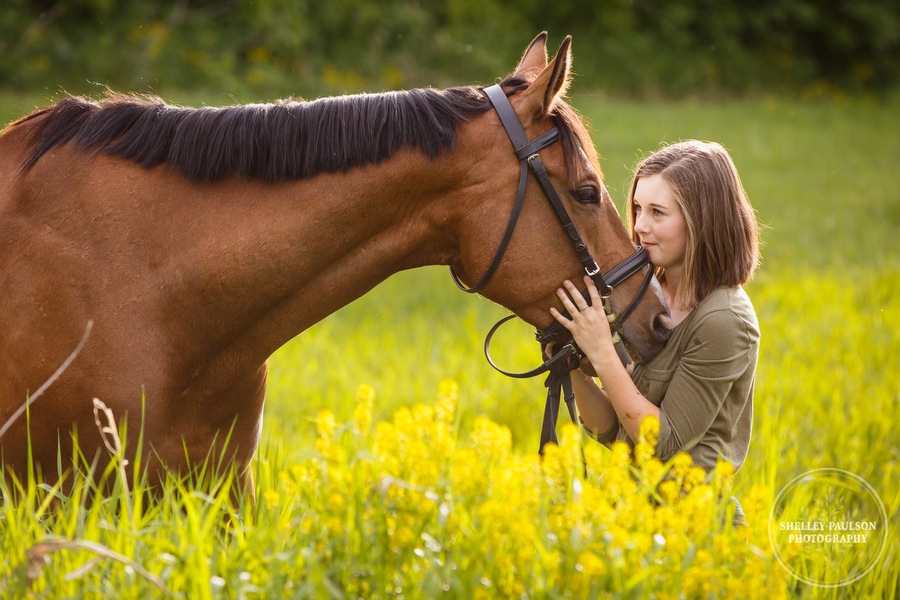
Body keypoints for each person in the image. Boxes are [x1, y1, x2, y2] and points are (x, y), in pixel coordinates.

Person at [550, 140, 760, 520]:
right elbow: (612, 429)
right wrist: (571, 364)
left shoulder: (725, 320)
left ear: (702, 220)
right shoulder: (646, 296)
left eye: (658, 212)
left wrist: (600, 351)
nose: (640, 225)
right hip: (625, 517)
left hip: (690, 528)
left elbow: (662, 441)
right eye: (637, 208)